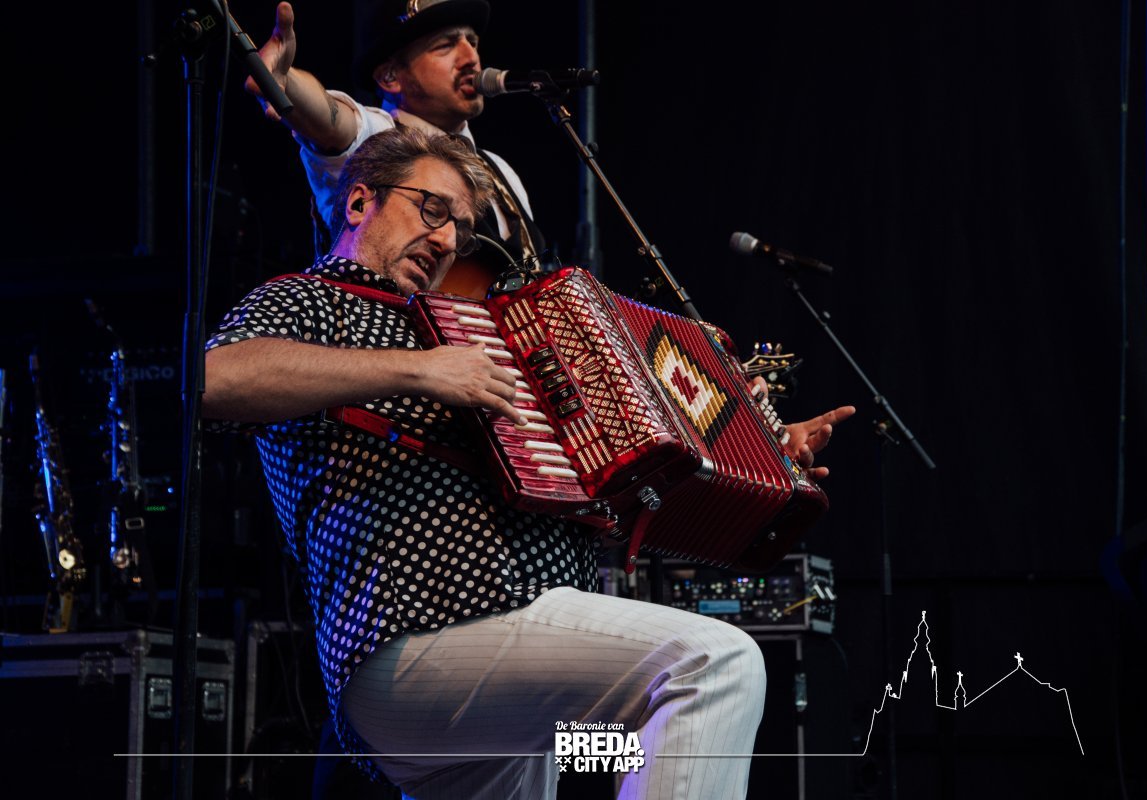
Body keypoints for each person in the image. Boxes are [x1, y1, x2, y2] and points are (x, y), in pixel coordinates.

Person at [203, 126, 855, 798]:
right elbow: (213, 382)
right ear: (360, 201)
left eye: (461, 228)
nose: (447, 240)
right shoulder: (310, 301)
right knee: (712, 665)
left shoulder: (477, 333)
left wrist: (755, 443)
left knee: (645, 740)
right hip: (418, 639)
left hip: (506, 691)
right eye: (432, 209)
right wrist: (418, 370)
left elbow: (619, 464)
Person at [249, 0, 543, 280]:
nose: (472, 59)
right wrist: (286, 81)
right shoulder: (379, 139)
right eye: (445, 46)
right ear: (390, 77)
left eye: (473, 42)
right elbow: (332, 120)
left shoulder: (501, 172)